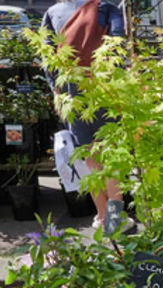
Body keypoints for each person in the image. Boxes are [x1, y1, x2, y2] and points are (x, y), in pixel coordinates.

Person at [42, 0, 130, 233]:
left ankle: (102, 216)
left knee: (89, 156)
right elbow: (117, 48)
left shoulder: (53, 12)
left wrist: (56, 91)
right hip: (104, 88)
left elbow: (47, 56)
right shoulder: (107, 8)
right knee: (112, 158)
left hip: (71, 91)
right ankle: (114, 220)